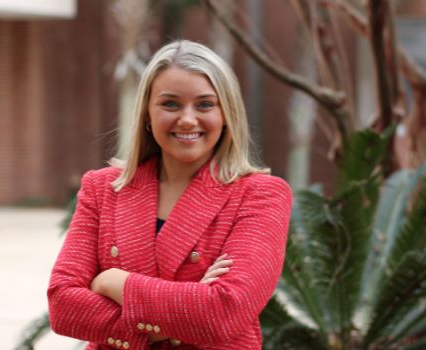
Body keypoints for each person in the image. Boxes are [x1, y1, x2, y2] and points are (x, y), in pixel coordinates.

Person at [47, 40, 293, 350]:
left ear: (227, 113)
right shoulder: (102, 188)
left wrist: (114, 282)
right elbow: (62, 306)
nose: (188, 119)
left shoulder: (261, 195)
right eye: (170, 104)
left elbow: (224, 312)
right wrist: (176, 318)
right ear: (147, 114)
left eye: (205, 104)